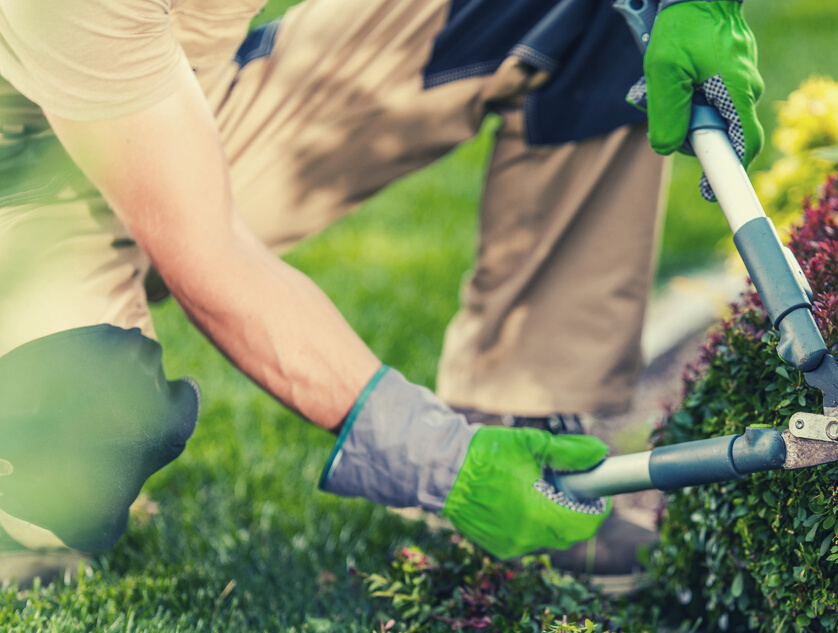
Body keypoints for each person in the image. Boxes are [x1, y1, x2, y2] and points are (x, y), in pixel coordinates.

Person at [0, 0, 763, 586]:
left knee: (601, 9)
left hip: (186, 103)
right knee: (88, 442)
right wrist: (437, 461)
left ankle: (523, 425)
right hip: (26, 202)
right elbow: (209, 254)